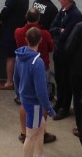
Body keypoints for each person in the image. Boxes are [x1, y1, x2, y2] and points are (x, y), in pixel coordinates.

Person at [14, 27, 56, 157]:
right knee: (31, 136)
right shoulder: (37, 63)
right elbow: (41, 91)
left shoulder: (20, 55)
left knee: (41, 127)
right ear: (40, 40)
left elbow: (16, 77)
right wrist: (49, 108)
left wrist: (19, 95)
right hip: (35, 104)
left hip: (26, 99)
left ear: (26, 40)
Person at [14, 10, 56, 143]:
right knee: (41, 100)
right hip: (41, 68)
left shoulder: (18, 32)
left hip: (23, 66)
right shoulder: (44, 34)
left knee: (24, 100)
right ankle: (41, 133)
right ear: (38, 19)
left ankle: (23, 132)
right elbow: (50, 47)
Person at [50, 0, 82, 117]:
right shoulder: (62, 11)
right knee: (58, 78)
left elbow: (67, 34)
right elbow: (52, 27)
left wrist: (59, 31)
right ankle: (59, 103)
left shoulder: (75, 15)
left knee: (66, 80)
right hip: (58, 52)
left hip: (67, 54)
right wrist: (59, 30)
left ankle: (65, 106)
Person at [0, 0, 28, 90]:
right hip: (21, 29)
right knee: (19, 56)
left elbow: (5, 13)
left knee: (10, 57)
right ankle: (19, 81)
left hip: (10, 31)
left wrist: (1, 18)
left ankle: (9, 82)